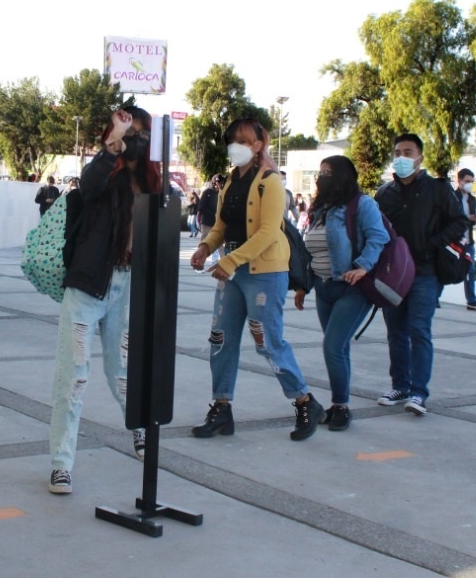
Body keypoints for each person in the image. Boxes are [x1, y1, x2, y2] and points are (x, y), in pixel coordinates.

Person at [189, 118, 325, 440]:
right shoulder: (229, 183)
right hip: (232, 272)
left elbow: (268, 231)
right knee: (221, 340)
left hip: (264, 274)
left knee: (268, 343)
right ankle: (222, 408)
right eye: (232, 140)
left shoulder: (270, 182)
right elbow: (221, 226)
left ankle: (306, 401)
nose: (236, 146)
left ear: (259, 145)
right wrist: (205, 247)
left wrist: (231, 261)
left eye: (244, 140)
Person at [47, 107, 160, 495]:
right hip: (88, 285)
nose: (135, 139)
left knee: (123, 370)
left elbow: (164, 217)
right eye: (130, 131)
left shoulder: (150, 179)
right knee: (74, 376)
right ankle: (61, 464)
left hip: (127, 285)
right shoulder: (102, 171)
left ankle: (141, 428)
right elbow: (89, 186)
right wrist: (111, 147)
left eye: (141, 133)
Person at [374, 134, 468, 415]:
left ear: (419, 157)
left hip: (425, 272)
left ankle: (418, 393)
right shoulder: (384, 193)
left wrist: (433, 243)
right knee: (396, 333)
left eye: (408, 151)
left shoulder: (438, 190)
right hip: (393, 275)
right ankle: (400, 385)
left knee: (419, 330)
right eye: (397, 151)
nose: (402, 156)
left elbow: (459, 222)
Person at [296, 156, 388, 431]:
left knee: (333, 346)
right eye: (320, 172)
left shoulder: (362, 204)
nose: (321, 177)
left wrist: (362, 267)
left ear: (343, 176)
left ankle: (340, 406)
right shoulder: (320, 210)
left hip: (353, 289)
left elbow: (378, 237)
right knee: (339, 346)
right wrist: (304, 285)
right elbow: (312, 252)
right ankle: (340, 402)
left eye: (328, 172)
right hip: (323, 288)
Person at [455, 169, 476, 311]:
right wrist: (465, 218)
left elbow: (471, 219)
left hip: (468, 241)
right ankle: (435, 297)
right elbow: (451, 217)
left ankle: (471, 300)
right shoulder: (452, 197)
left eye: (472, 182)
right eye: (467, 181)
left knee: (470, 270)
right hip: (454, 240)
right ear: (459, 181)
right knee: (445, 267)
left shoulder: (472, 199)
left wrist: (474, 219)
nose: (470, 184)